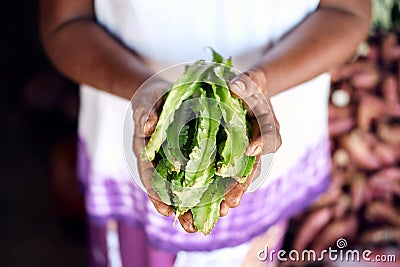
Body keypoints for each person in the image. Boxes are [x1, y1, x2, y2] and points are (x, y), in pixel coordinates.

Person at [39, 0, 371, 266]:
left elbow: (348, 11)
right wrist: (145, 90)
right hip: (128, 132)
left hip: (267, 134)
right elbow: (65, 23)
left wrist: (263, 82)